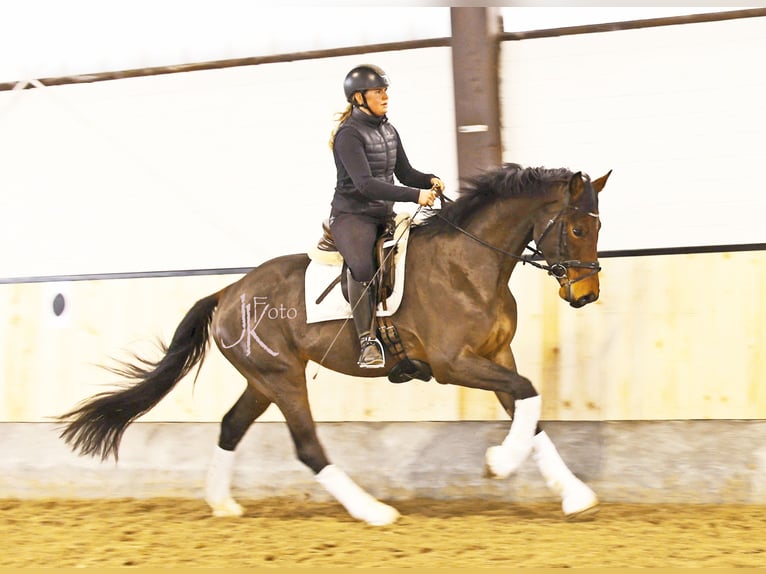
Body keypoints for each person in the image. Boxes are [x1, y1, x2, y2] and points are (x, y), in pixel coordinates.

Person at [328, 64, 444, 369]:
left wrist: (429, 179)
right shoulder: (348, 136)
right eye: (378, 91)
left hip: (383, 214)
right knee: (364, 267)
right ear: (358, 98)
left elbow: (404, 173)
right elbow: (365, 184)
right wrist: (415, 196)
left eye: (385, 90)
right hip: (353, 217)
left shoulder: (389, 130)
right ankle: (367, 342)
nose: (385, 95)